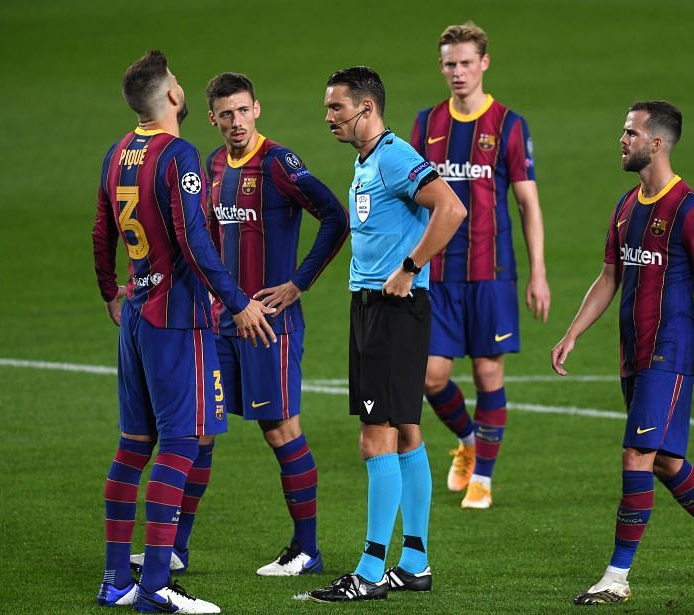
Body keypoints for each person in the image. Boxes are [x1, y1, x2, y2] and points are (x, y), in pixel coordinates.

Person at [550, 100, 694, 605]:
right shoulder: (626, 206)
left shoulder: (691, 210)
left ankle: (616, 578)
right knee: (667, 461)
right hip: (635, 354)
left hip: (670, 353)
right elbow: (610, 277)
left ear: (657, 143)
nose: (621, 140)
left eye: (630, 133)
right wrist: (572, 332)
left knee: (638, 454)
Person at [92, 50, 276, 614]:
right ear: (171, 97)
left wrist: (109, 291)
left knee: (133, 446)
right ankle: (155, 588)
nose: (182, 88)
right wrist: (237, 302)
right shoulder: (180, 156)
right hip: (179, 320)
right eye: (177, 83)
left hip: (137, 314)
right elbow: (194, 239)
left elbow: (101, 227)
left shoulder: (118, 151)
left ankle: (116, 580)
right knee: (181, 445)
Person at [305, 66, 466, 602]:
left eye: (336, 108)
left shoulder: (394, 155)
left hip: (392, 308)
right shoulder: (368, 160)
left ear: (366, 108)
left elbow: (452, 207)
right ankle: (414, 562)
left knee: (375, 437)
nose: (328, 117)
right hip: (377, 308)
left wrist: (410, 266)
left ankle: (370, 572)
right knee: (404, 431)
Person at [203, 71, 348, 576]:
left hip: (270, 325)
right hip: (222, 322)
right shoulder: (213, 164)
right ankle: (174, 548)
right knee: (199, 428)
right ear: (213, 118)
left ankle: (307, 549)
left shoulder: (279, 162)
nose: (236, 121)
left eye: (244, 111)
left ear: (257, 109)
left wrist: (297, 284)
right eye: (227, 114)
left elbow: (335, 216)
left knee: (280, 429)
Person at [410, 21, 551, 509]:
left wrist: (538, 273)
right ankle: (470, 442)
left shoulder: (509, 125)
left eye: (466, 62)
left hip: (491, 273)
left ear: (484, 63)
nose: (458, 72)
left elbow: (528, 204)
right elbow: (412, 201)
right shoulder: (426, 125)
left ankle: (483, 478)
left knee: (489, 374)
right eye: (450, 63)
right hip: (440, 272)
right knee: (430, 376)